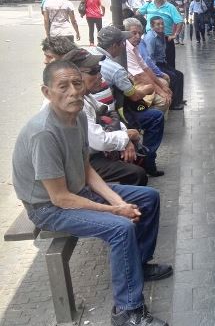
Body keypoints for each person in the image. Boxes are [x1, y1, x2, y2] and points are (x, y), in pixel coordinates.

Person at [12, 60, 171, 326]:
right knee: (121, 228)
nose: (73, 91)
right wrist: (115, 210)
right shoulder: (43, 132)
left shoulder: (77, 118)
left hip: (76, 190)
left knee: (148, 197)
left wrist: (118, 201)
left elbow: (86, 170)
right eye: (63, 86)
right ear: (46, 92)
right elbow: (59, 198)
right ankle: (127, 311)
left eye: (77, 83)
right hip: (48, 208)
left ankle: (138, 266)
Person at [62, 48, 149, 186]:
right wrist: (127, 136)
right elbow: (98, 141)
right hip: (77, 162)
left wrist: (125, 137)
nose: (99, 76)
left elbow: (109, 111)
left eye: (98, 69)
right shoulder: (73, 104)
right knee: (136, 174)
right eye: (93, 71)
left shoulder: (87, 96)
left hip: (90, 154)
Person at [95, 26, 166, 177]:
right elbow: (134, 95)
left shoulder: (92, 55)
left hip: (104, 109)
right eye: (122, 42)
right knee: (156, 117)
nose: (124, 45)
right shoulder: (114, 68)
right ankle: (147, 159)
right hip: (111, 114)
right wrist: (148, 89)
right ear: (114, 45)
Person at [123, 18, 173, 113]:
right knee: (163, 101)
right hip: (133, 84)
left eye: (140, 33)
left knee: (165, 85)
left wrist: (162, 86)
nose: (138, 36)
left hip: (139, 80)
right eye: (134, 33)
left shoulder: (134, 46)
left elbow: (146, 68)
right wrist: (161, 91)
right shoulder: (126, 48)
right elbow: (140, 75)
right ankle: (148, 119)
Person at [137, 0, 184, 69]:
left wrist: (175, 35)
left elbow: (179, 21)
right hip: (150, 39)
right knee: (150, 63)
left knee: (169, 65)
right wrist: (142, 29)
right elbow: (138, 14)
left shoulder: (170, 7)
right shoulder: (148, 5)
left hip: (165, 39)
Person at [144, 17, 186, 110]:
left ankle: (178, 100)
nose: (161, 26)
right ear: (152, 26)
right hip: (156, 65)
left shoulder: (162, 35)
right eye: (158, 24)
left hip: (162, 63)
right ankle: (173, 104)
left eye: (162, 23)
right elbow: (149, 58)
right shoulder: (151, 38)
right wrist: (159, 73)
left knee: (180, 75)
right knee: (173, 77)